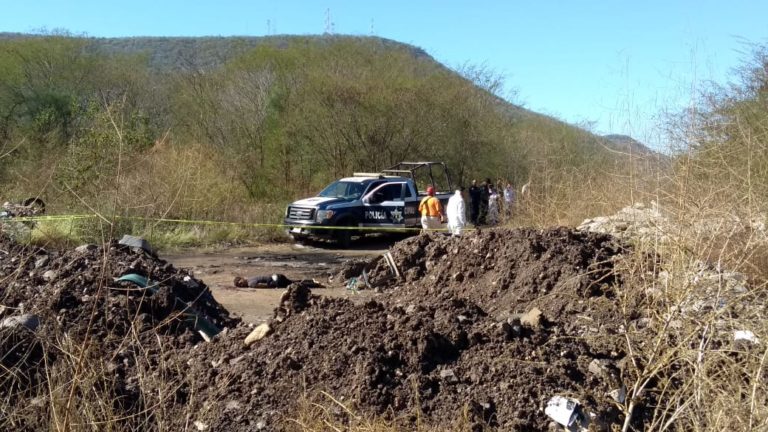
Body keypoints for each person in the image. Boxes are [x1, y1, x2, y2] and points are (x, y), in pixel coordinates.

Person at [233, 274, 323, 288]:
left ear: (242, 279)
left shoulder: (250, 284)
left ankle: (315, 284)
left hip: (275, 280)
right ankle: (311, 281)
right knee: (293, 281)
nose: (241, 285)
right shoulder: (250, 278)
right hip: (275, 275)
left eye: (240, 283)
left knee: (295, 285)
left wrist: (275, 286)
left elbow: (264, 286)